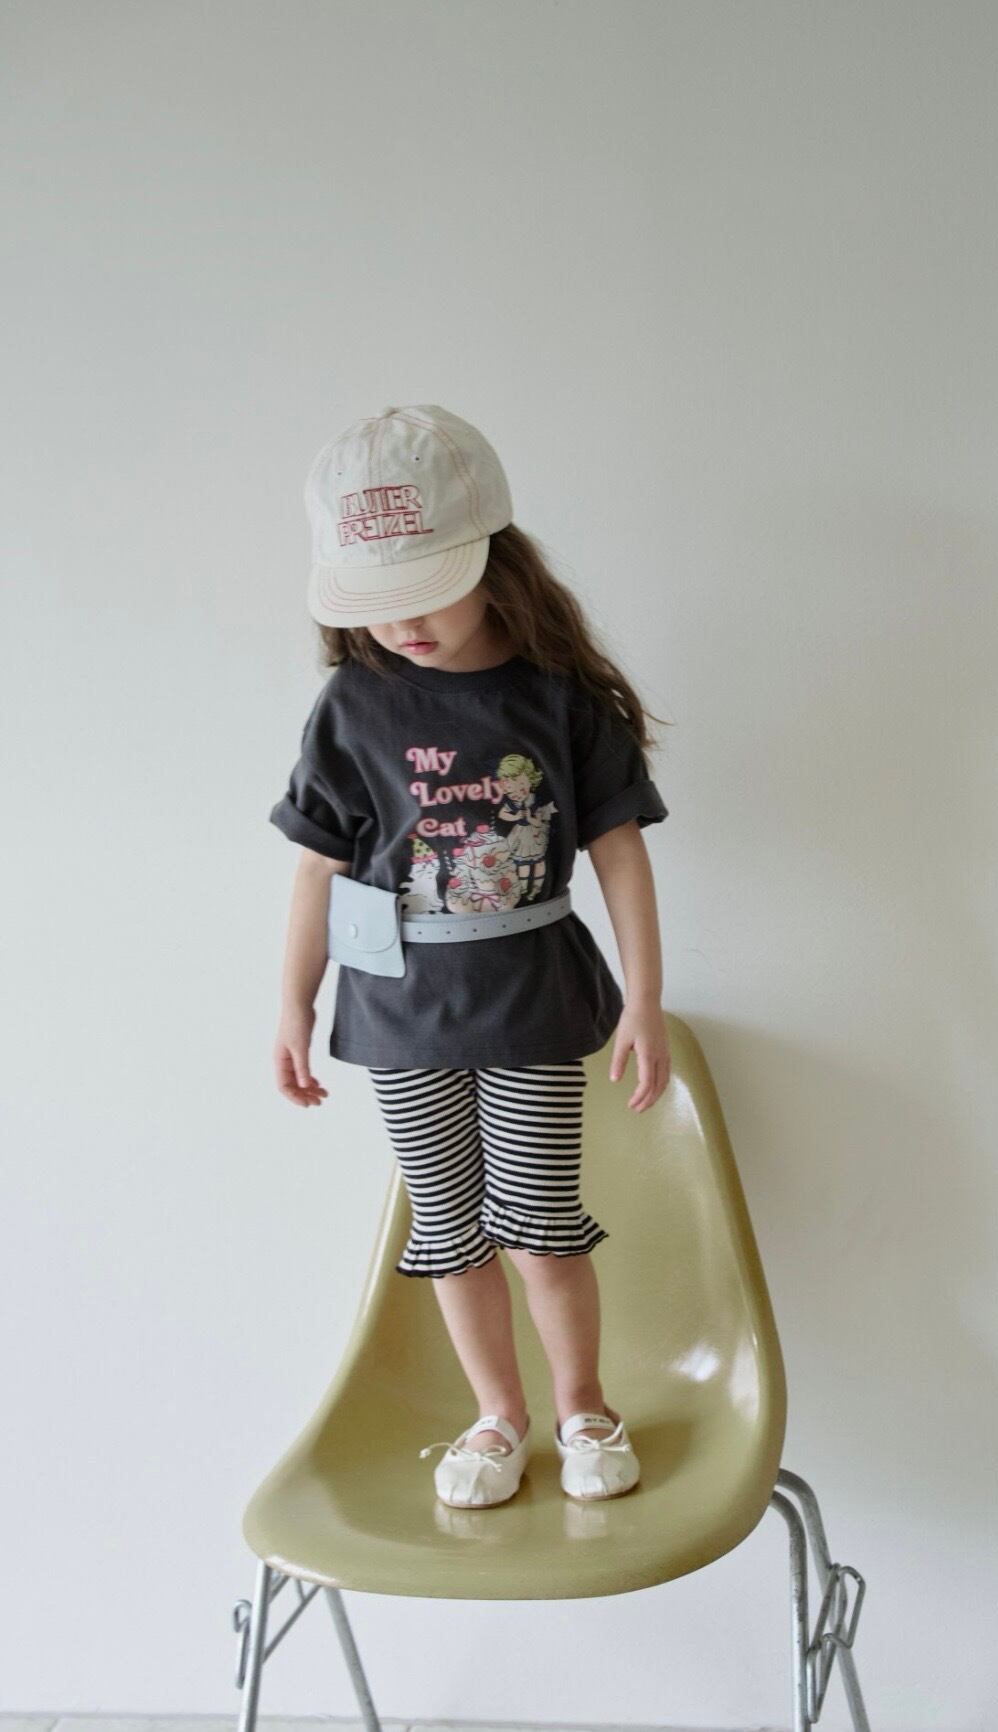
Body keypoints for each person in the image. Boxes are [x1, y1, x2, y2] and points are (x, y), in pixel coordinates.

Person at [268, 404, 671, 1511]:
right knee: (448, 1231)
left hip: (531, 998)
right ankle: (498, 1415)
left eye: (426, 588)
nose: (401, 621)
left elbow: (618, 852)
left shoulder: (557, 701)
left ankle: (582, 1404)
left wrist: (644, 998)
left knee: (540, 1225)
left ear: (496, 558)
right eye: (376, 596)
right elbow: (315, 870)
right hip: (397, 1010)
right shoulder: (352, 706)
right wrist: (292, 1004)